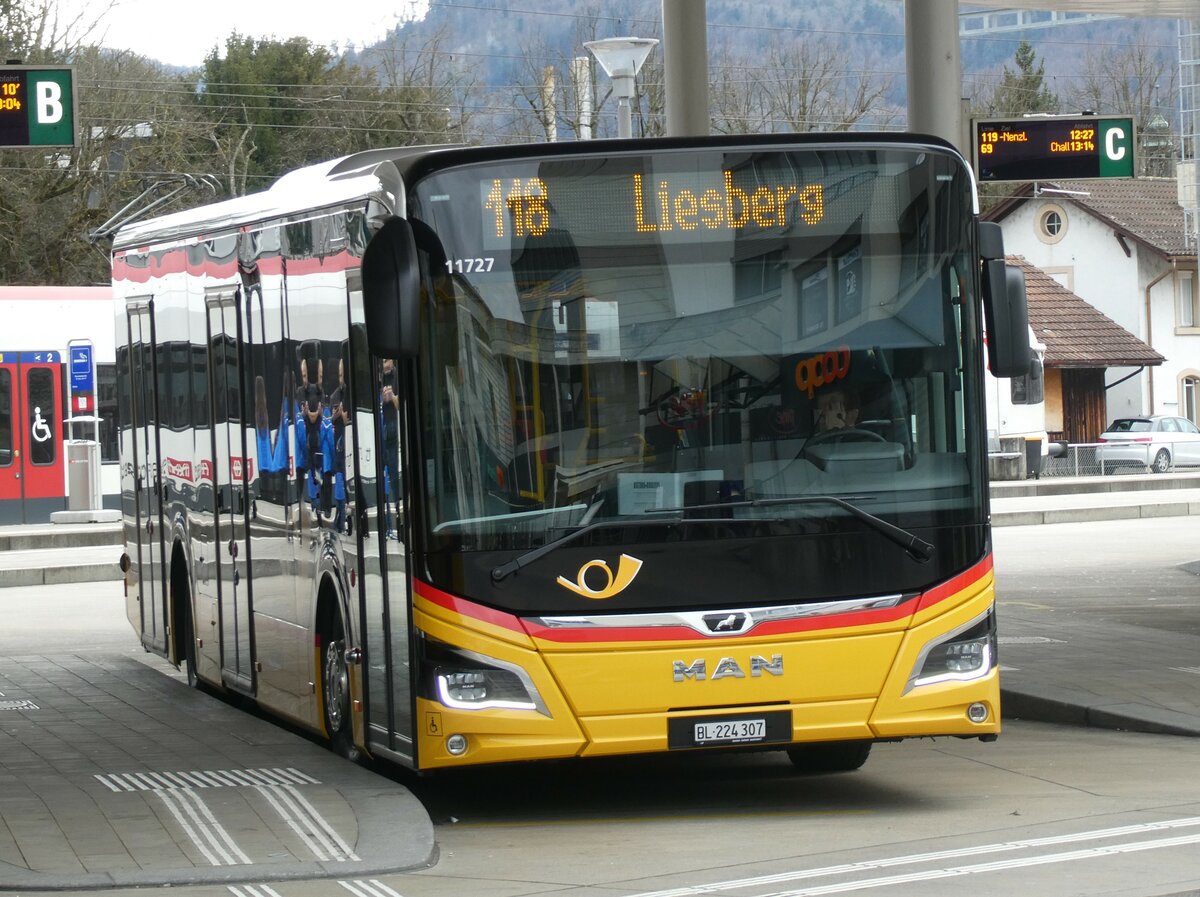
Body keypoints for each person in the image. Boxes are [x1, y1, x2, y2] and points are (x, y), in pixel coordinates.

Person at [380, 358, 401, 538]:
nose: (384, 364)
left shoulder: (396, 377)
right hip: (380, 430)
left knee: (393, 476)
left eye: (386, 360)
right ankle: (387, 526)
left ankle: (397, 521)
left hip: (392, 431)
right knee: (382, 479)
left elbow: (399, 404)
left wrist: (391, 395)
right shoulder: (378, 377)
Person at [329, 358, 349, 534]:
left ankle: (344, 517)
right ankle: (340, 519)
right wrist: (335, 415)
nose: (341, 378)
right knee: (340, 480)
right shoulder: (335, 396)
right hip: (338, 444)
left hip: (350, 443)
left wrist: (342, 414)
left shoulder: (351, 393)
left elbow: (349, 419)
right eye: (339, 375)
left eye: (343, 374)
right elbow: (330, 421)